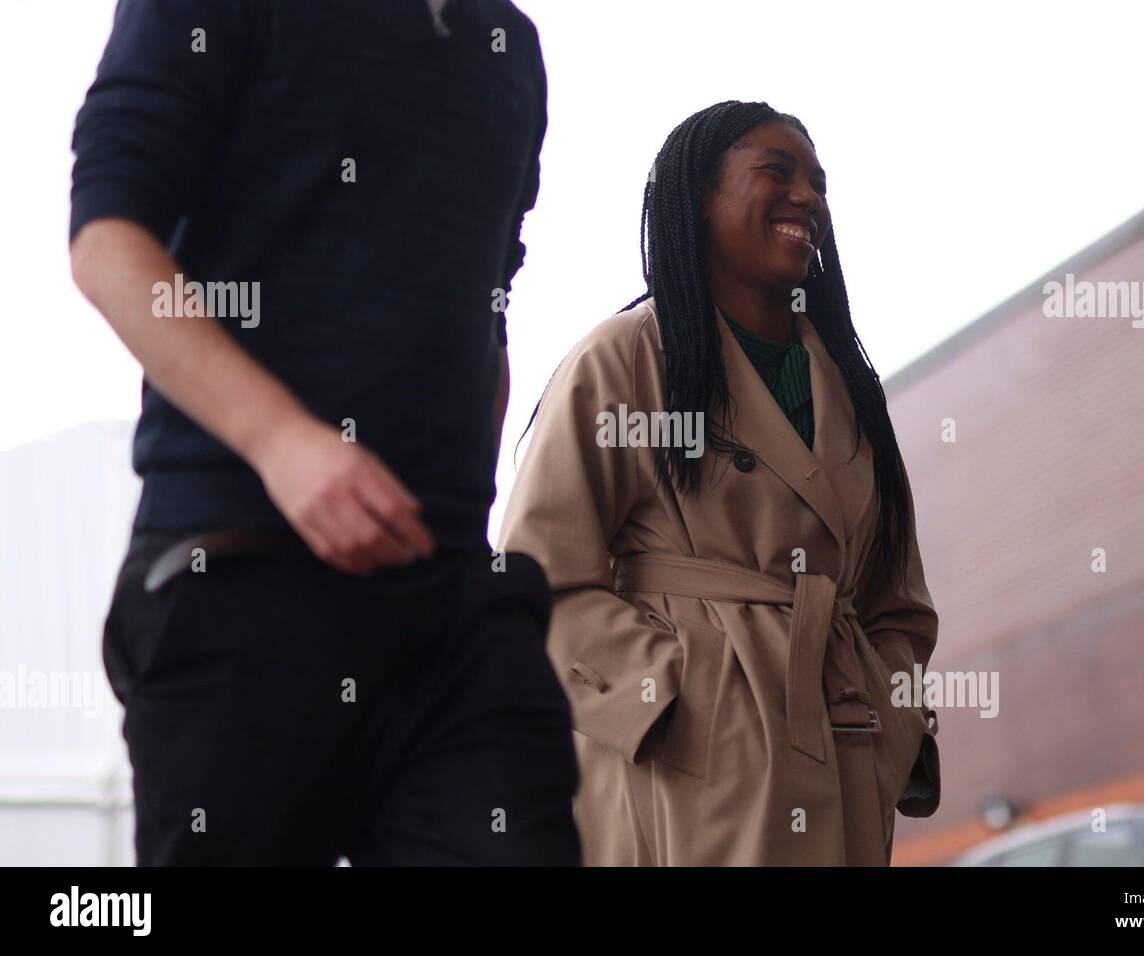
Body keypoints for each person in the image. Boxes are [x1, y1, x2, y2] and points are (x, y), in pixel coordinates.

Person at [69, 0, 580, 865]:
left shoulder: (510, 46)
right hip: (236, 573)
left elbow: (489, 296)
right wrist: (283, 443)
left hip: (452, 609)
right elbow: (106, 242)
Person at [501, 100, 941, 866]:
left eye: (818, 182)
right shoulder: (628, 357)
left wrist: (891, 722)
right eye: (777, 172)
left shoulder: (854, 393)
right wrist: (674, 698)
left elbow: (897, 608)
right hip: (687, 765)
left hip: (842, 753)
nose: (807, 197)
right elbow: (540, 576)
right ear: (700, 199)